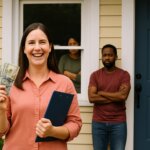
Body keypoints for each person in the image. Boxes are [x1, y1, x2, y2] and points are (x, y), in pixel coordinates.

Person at [0, 23, 82, 150]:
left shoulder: (65, 83)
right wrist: (1, 110)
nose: (37, 48)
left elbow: (75, 124)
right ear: (24, 49)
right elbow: (1, 131)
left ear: (50, 47)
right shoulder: (10, 84)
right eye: (31, 42)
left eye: (42, 42)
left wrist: (53, 131)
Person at [88, 44, 131, 150]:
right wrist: (114, 96)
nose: (107, 57)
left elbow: (122, 96)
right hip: (98, 123)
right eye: (105, 55)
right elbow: (92, 98)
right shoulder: (95, 75)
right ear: (102, 57)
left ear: (116, 57)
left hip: (118, 123)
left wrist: (101, 92)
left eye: (110, 55)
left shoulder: (124, 75)